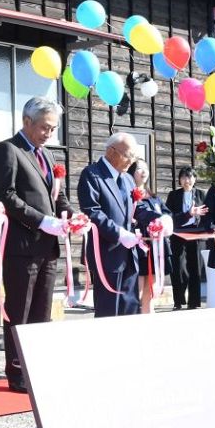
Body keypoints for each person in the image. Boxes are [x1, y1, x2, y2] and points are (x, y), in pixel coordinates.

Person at [0, 96, 72, 393]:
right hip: (22, 245)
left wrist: (72, 216)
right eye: (44, 127)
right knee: (20, 310)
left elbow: (57, 197)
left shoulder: (48, 155)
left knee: (42, 311)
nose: (49, 133)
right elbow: (7, 196)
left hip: (48, 245)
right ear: (27, 121)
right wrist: (41, 221)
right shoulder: (8, 150)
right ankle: (16, 371)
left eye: (53, 128)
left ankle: (36, 366)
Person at [77, 133, 142, 318]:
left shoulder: (128, 179)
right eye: (128, 155)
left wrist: (158, 220)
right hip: (106, 254)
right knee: (108, 312)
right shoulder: (92, 174)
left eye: (134, 157)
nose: (132, 161)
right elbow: (92, 211)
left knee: (130, 310)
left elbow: (136, 209)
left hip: (129, 255)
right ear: (111, 151)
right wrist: (119, 233)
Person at [127, 161, 180, 314]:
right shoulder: (130, 194)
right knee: (138, 287)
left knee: (151, 287)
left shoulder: (153, 196)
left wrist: (166, 220)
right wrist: (160, 219)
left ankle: (148, 316)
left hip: (156, 246)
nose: (143, 172)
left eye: (145, 168)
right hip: (140, 245)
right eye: (139, 169)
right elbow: (141, 213)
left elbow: (167, 212)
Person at [165, 167, 209, 310]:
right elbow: (169, 217)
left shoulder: (202, 195)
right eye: (183, 177)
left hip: (197, 235)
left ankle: (194, 302)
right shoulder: (173, 195)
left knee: (195, 268)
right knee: (178, 268)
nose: (187, 180)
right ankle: (178, 301)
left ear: (195, 179)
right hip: (178, 234)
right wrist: (188, 214)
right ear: (179, 180)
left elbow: (208, 215)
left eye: (189, 177)